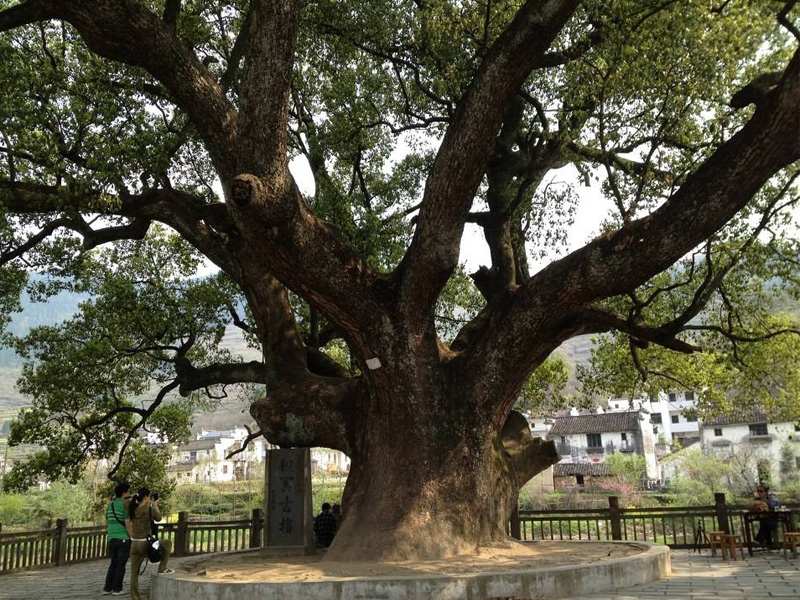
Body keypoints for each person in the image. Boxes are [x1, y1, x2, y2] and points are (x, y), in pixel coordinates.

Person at [126, 488, 173, 600]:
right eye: (149, 496)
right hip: (145, 544)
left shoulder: (133, 509)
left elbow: (130, 502)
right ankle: (162, 568)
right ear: (146, 497)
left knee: (134, 573)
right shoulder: (149, 510)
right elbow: (159, 518)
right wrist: (155, 504)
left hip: (134, 544)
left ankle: (135, 597)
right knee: (167, 543)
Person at [103, 482, 132, 596]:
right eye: (128, 491)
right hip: (123, 538)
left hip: (111, 538)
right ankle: (117, 589)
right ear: (124, 493)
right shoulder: (126, 505)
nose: (129, 493)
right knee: (121, 564)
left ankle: (107, 588)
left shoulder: (110, 505)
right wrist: (132, 537)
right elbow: (128, 523)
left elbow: (108, 520)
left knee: (113, 564)